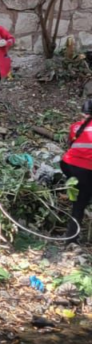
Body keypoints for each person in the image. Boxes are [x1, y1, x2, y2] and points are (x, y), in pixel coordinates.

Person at [61, 99, 92, 240]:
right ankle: (71, 238)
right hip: (85, 168)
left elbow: (70, 145)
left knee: (79, 195)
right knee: (80, 203)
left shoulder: (75, 126)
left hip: (67, 164)